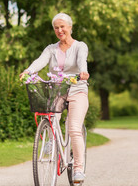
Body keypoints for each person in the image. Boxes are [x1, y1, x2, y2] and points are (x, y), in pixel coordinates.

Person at [20, 12, 89, 183]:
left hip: (77, 88)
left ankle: (78, 169)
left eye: (62, 27)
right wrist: (29, 71)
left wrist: (83, 72)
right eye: (56, 28)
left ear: (70, 27)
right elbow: (40, 61)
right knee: (51, 119)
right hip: (57, 89)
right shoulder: (51, 49)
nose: (59, 30)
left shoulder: (80, 46)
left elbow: (82, 61)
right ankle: (50, 142)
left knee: (73, 128)